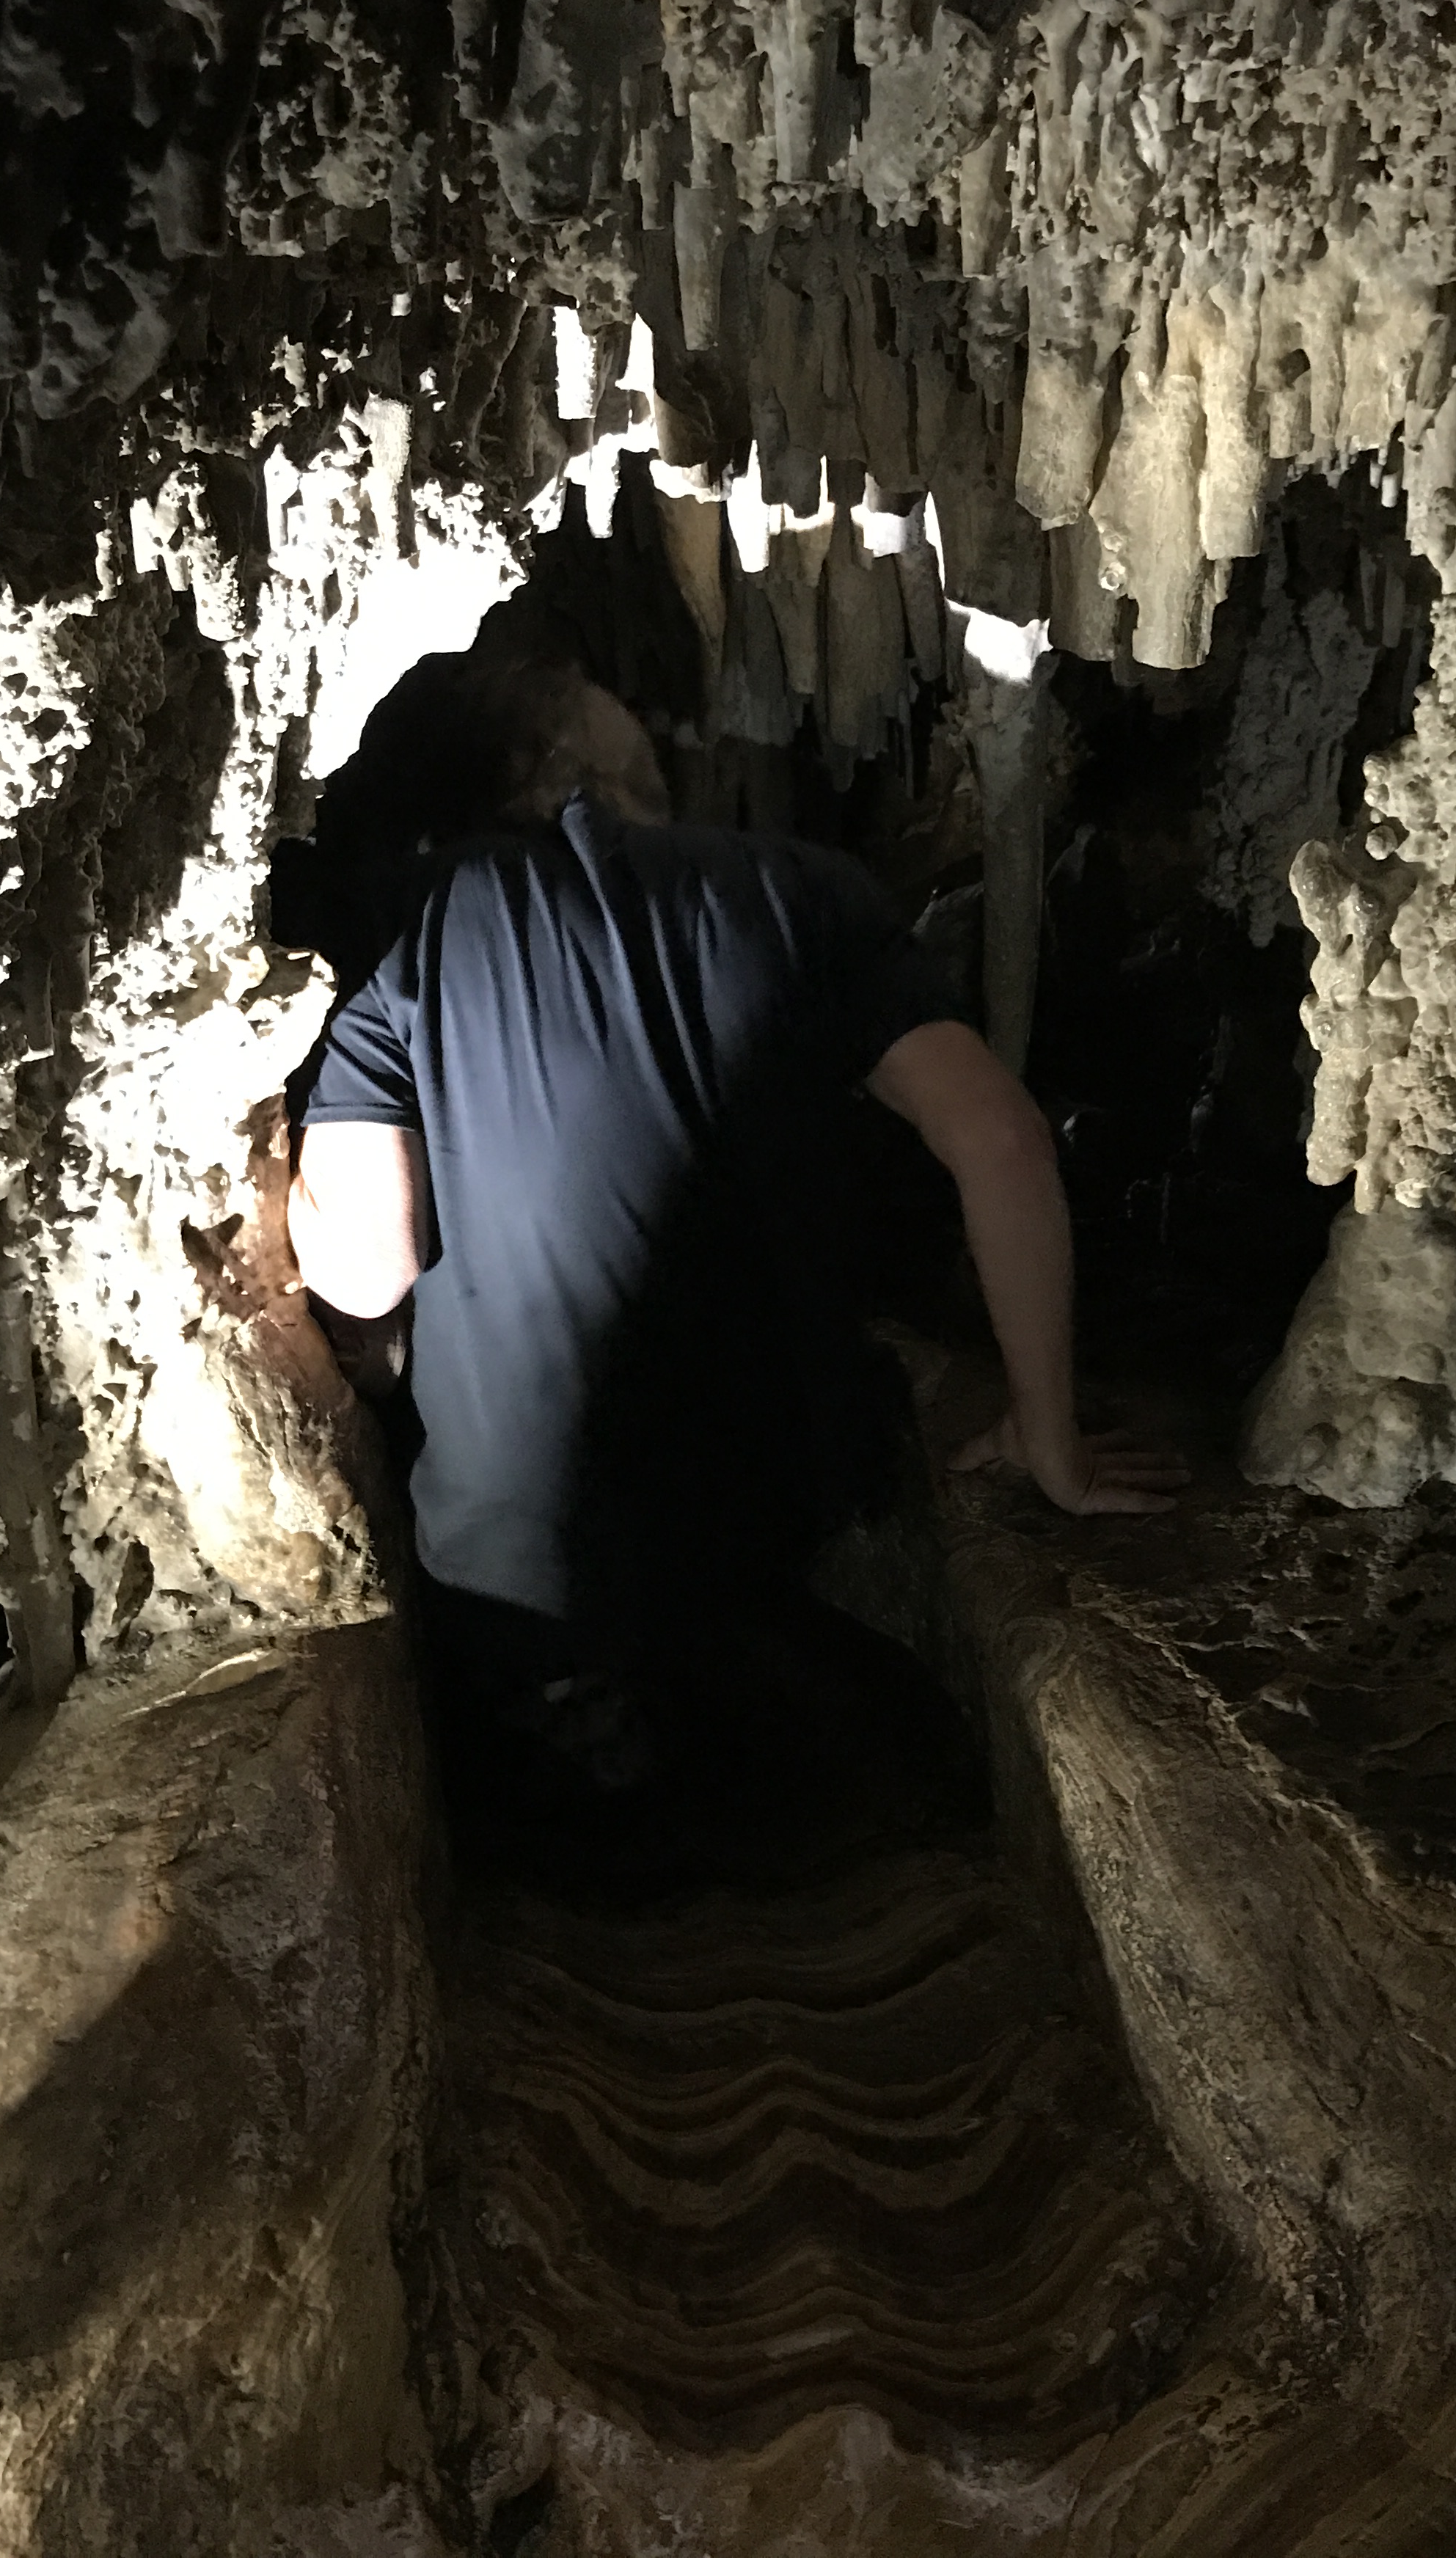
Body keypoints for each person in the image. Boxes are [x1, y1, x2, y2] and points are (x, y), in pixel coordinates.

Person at [285, 656, 1183, 1780]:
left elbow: (365, 1270)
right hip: (785, 1518)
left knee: (582, 1781)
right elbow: (1002, 1139)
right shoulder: (807, 888)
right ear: (595, 774)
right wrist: (1048, 1437)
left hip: (525, 1565)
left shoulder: (406, 929)